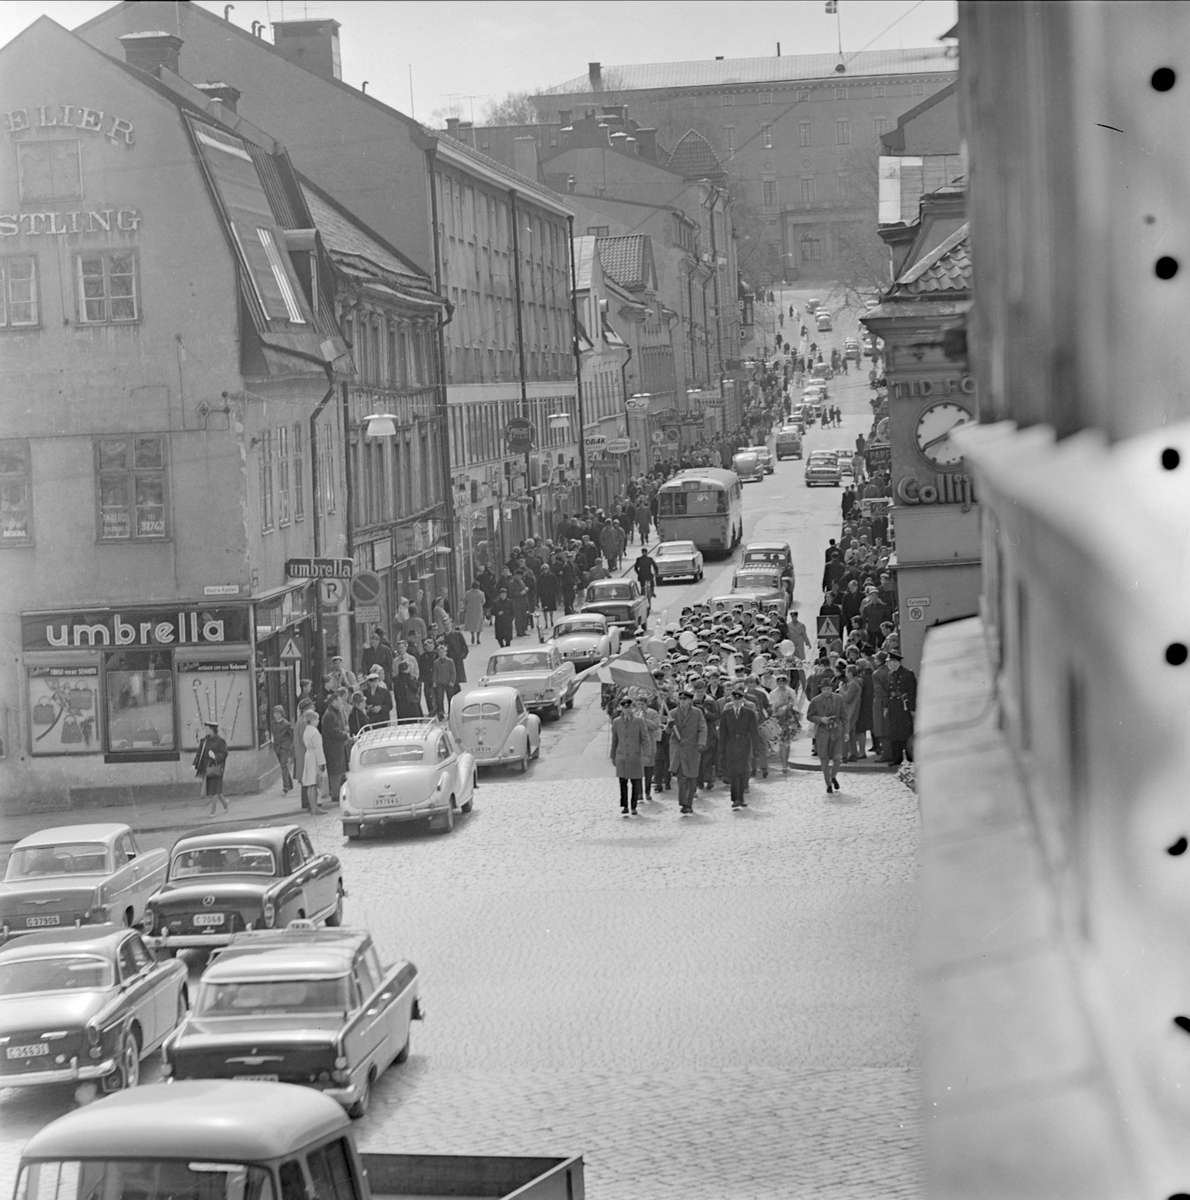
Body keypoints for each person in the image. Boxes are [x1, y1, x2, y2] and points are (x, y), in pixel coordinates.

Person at [719, 684, 763, 809]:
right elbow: (722, 733)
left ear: (742, 699)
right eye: (735, 699)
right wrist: (721, 749)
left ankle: (741, 797)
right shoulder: (726, 714)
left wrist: (756, 749)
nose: (737, 701)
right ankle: (735, 798)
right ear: (731, 699)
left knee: (743, 770)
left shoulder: (749, 714)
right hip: (730, 745)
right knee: (733, 772)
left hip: (744, 745)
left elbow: (754, 732)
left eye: (739, 699)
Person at [668, 689, 707, 813]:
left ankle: (689, 803)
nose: (682, 702)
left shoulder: (697, 713)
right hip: (678, 749)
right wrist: (669, 726)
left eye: (685, 700)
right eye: (680, 699)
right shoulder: (673, 713)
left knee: (691, 778)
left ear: (690, 701)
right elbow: (668, 732)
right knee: (681, 778)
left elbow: (702, 728)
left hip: (693, 748)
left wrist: (701, 743)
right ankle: (684, 804)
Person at [610, 696, 650, 816]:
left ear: (633, 708)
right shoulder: (617, 722)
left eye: (630, 707)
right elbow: (614, 740)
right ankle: (625, 805)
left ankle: (633, 805)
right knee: (622, 782)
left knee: (635, 782)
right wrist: (613, 756)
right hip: (622, 756)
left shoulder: (638, 721)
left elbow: (645, 739)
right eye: (625, 707)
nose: (627, 710)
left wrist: (646, 754)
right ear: (621, 709)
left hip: (635, 756)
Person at [806, 675, 846, 793]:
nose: (827, 691)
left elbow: (844, 716)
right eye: (824, 689)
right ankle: (828, 784)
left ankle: (833, 776)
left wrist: (846, 732)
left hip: (837, 731)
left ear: (832, 689)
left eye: (828, 689)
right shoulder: (815, 701)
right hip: (823, 733)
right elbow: (809, 716)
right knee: (824, 759)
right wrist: (820, 719)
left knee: (838, 758)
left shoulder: (839, 699)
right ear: (821, 690)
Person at [885, 651, 917, 766]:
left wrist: (912, 708)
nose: (889, 664)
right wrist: (886, 707)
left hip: (904, 707)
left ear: (896, 662)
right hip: (894, 706)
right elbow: (888, 692)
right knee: (894, 732)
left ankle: (909, 758)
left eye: (890, 662)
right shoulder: (890, 675)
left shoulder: (907, 674)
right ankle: (897, 757)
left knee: (906, 732)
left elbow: (912, 692)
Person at [321, 689, 351, 803]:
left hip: (337, 747)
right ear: (334, 702)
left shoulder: (334, 713)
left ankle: (339, 794)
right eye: (339, 701)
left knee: (339, 771)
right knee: (335, 773)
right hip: (333, 748)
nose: (341, 704)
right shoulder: (330, 715)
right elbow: (334, 732)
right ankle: (335, 795)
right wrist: (345, 735)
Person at [194, 720, 229, 816]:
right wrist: (195, 764)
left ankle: (212, 811)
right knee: (215, 789)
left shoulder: (220, 741)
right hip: (207, 768)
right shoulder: (204, 741)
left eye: (207, 728)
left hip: (217, 768)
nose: (205, 730)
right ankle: (225, 803)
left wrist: (215, 756)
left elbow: (224, 753)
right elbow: (199, 753)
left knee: (214, 790)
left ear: (212, 729)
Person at [768, 674, 800, 774]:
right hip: (779, 718)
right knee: (782, 742)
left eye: (783, 683)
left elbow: (795, 704)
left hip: (789, 718)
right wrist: (780, 705)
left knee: (788, 742)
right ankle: (784, 765)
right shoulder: (773, 693)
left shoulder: (791, 692)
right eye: (779, 683)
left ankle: (786, 762)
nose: (781, 685)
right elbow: (772, 707)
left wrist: (793, 711)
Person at [299, 708, 327, 814]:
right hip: (314, 757)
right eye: (317, 719)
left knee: (310, 784)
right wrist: (322, 762)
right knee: (314, 783)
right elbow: (319, 748)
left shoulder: (306, 731)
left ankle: (312, 806)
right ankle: (315, 807)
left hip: (308, 756)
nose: (318, 721)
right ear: (312, 720)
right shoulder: (315, 732)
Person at [840, 664, 864, 761]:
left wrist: (842, 690)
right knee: (851, 733)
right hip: (853, 710)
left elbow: (847, 698)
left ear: (850, 673)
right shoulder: (857, 682)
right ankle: (853, 753)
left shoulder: (853, 684)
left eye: (847, 672)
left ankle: (844, 755)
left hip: (849, 711)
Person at [271, 706, 294, 794]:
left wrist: (290, 747)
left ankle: (286, 785)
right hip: (277, 746)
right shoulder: (273, 724)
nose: (276, 715)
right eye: (275, 713)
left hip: (285, 746)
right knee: (283, 765)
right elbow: (273, 734)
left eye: (278, 713)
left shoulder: (286, 724)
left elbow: (292, 735)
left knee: (283, 764)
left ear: (281, 713)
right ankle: (290, 783)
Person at [431, 642, 458, 718]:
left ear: (446, 653)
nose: (441, 654)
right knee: (439, 698)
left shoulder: (450, 661)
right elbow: (435, 672)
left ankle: (450, 713)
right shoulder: (436, 662)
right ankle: (441, 713)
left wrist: (452, 681)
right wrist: (434, 681)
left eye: (443, 652)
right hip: (440, 682)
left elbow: (453, 672)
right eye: (440, 652)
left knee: (450, 697)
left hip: (448, 682)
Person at [442, 619, 469, 687]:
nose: (447, 626)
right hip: (446, 662)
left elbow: (464, 647)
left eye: (448, 624)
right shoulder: (441, 637)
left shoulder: (458, 634)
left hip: (456, 661)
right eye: (445, 625)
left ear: (450, 624)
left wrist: (461, 656)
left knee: (456, 682)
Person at [462, 580, 487, 645]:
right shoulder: (481, 593)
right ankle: (478, 638)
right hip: (478, 610)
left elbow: (464, 600)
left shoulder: (468, 593)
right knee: (478, 624)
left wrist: (466, 606)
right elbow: (483, 601)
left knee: (471, 624)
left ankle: (472, 634)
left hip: (470, 610)